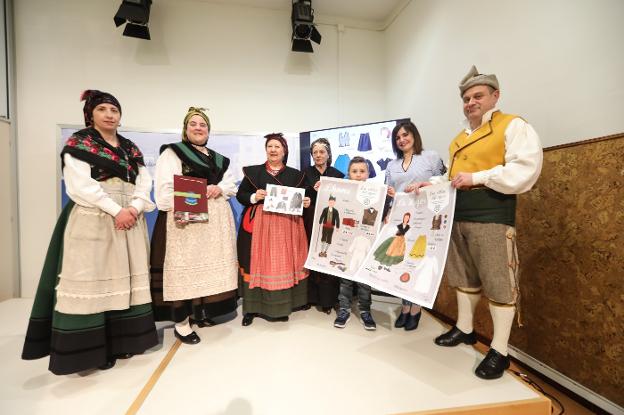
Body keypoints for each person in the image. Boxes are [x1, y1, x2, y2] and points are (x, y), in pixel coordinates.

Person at [411, 66, 542, 379]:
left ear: (495, 96)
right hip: (457, 217)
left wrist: (478, 177)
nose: (470, 102)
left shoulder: (513, 125)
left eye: (477, 96)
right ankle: (465, 329)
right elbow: (451, 176)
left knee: (499, 281)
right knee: (464, 276)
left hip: (491, 216)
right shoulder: (459, 140)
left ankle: (499, 350)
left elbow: (524, 171)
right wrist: (431, 183)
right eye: (466, 98)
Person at [22, 90, 158, 374]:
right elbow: (80, 185)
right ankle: (94, 350)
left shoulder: (130, 148)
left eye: (114, 110)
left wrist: (132, 208)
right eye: (103, 109)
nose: (110, 115)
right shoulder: (80, 144)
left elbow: (144, 181)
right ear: (91, 114)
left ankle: (124, 341)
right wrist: (115, 210)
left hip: (129, 219)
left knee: (128, 279)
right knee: (94, 279)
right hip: (95, 217)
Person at [150, 107, 238, 345]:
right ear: (185, 129)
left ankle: (202, 312)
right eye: (194, 124)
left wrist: (220, 188)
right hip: (186, 223)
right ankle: (182, 322)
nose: (199, 128)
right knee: (184, 270)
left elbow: (230, 184)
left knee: (206, 267)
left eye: (203, 125)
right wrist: (198, 192)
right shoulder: (172, 154)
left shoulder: (218, 158)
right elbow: (165, 190)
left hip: (214, 224)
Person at [236, 133, 311, 326]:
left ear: (284, 150)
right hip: (261, 225)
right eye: (270, 146)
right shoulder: (253, 172)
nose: (273, 150)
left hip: (287, 225)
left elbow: (304, 200)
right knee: (258, 262)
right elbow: (241, 195)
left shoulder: (296, 175)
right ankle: (253, 307)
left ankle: (288, 304)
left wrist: (306, 202)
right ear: (266, 150)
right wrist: (254, 196)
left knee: (285, 262)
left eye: (277, 146)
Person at [385, 121, 446, 331]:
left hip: (425, 217)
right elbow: (389, 191)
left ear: (414, 135)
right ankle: (404, 306)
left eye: (405, 135)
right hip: (400, 220)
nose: (402, 140)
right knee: (401, 261)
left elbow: (443, 182)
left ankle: (416, 308)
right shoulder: (392, 165)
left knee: (418, 260)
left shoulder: (431, 157)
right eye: (397, 137)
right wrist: (387, 213)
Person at [333, 157, 377, 331]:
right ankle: (344, 309)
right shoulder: (344, 193)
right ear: (349, 174)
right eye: (354, 171)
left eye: (362, 171)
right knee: (345, 279)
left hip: (365, 243)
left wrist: (388, 196)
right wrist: (322, 190)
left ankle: (365, 310)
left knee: (364, 281)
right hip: (346, 243)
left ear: (368, 173)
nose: (358, 175)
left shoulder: (376, 193)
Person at [302, 138, 344, 312]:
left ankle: (328, 300)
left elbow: (342, 200)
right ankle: (311, 298)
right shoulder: (304, 173)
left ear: (328, 154)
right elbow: (301, 197)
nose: (318, 155)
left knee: (329, 256)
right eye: (315, 152)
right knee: (312, 256)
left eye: (322, 152)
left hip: (329, 222)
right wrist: (311, 191)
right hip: (311, 220)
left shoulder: (338, 175)